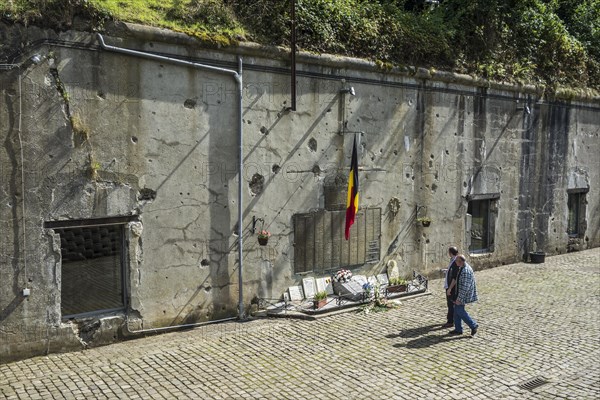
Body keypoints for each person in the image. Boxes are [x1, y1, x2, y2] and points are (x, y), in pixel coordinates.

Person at [449, 254, 479, 336]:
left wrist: (459, 299)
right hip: (459, 293)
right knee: (456, 311)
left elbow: (465, 287)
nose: (455, 262)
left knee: (459, 311)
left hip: (462, 295)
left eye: (456, 261)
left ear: (461, 262)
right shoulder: (462, 267)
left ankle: (473, 325)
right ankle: (458, 329)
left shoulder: (465, 271)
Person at [441, 246, 459, 328]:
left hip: (451, 287)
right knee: (450, 304)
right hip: (448, 285)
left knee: (450, 304)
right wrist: (446, 271)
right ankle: (451, 319)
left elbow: (455, 277)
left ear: (450, 253)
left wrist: (450, 289)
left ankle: (450, 321)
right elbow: (451, 272)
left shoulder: (456, 262)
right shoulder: (452, 260)